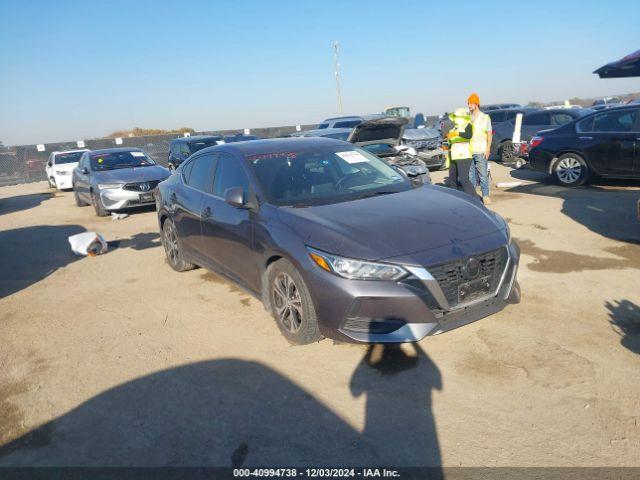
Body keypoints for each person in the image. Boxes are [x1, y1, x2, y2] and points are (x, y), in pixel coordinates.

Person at [445, 108, 479, 199]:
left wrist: (457, 133)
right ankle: (455, 199)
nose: (455, 119)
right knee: (452, 179)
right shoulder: (454, 127)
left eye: (457, 117)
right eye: (455, 117)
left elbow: (468, 135)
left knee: (464, 179)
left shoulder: (467, 125)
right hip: (453, 154)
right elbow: (449, 140)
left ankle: (475, 199)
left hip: (464, 155)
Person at [467, 93, 493, 205]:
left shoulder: (485, 117)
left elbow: (489, 134)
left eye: (470, 103)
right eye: (468, 103)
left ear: (476, 104)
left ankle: (486, 196)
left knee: (482, 175)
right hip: (469, 150)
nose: (468, 106)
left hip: (481, 150)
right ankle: (473, 197)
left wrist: (488, 149)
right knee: (471, 176)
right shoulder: (467, 118)